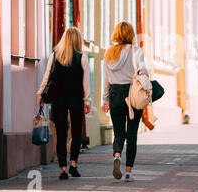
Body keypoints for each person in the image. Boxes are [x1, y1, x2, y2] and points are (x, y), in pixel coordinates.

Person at [37, 27, 91, 180]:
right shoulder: (82, 58)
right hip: (76, 99)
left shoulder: (54, 56)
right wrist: (87, 100)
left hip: (58, 100)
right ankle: (73, 164)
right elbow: (86, 82)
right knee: (76, 133)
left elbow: (47, 76)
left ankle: (62, 169)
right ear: (77, 40)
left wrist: (41, 94)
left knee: (60, 134)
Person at [101, 21, 148, 182]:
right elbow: (142, 70)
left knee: (118, 132)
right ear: (130, 34)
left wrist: (105, 99)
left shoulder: (109, 53)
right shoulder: (135, 51)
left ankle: (117, 155)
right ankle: (128, 173)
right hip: (132, 95)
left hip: (114, 94)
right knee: (132, 134)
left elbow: (106, 79)